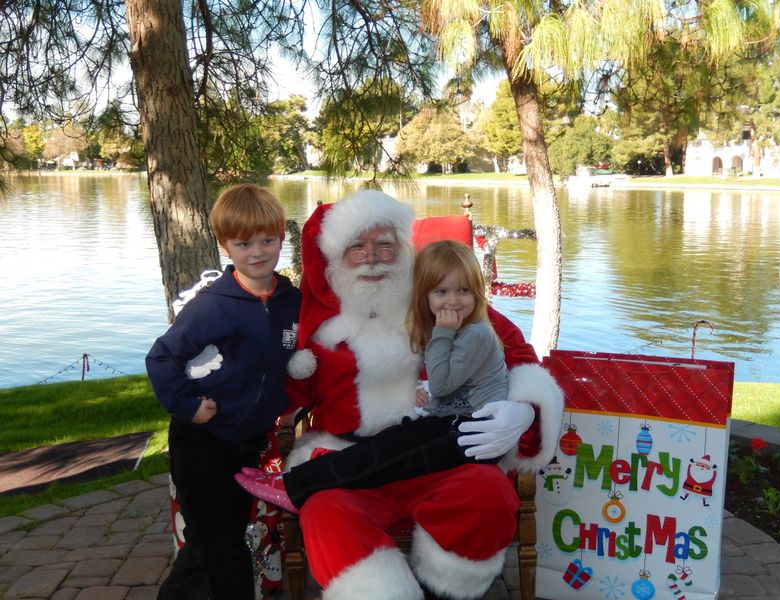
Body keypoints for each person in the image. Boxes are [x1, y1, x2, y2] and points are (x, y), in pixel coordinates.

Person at [262, 190, 564, 600]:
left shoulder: (439, 299)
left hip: (439, 455)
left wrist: (524, 410)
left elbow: (517, 354)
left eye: (385, 244)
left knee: (488, 495)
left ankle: (446, 591)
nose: (372, 257)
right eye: (357, 247)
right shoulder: (314, 327)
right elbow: (281, 391)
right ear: (334, 258)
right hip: (347, 463)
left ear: (403, 248)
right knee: (325, 512)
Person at [235, 239, 510, 512]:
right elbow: (449, 384)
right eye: (441, 292)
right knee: (384, 446)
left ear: (477, 292)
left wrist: (443, 333)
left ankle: (295, 488)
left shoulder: (475, 332)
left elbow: (442, 383)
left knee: (383, 459)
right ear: (424, 294)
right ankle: (293, 482)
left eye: (463, 290)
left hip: (477, 437)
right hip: (451, 422)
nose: (453, 301)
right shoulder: (448, 324)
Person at [146, 184, 301, 600]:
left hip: (246, 443)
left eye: (267, 240)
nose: (257, 252)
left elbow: (295, 360)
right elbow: (161, 358)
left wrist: (292, 404)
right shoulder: (213, 305)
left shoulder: (291, 302)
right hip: (201, 443)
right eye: (243, 243)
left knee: (207, 546)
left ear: (282, 238)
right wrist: (187, 406)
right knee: (225, 553)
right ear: (225, 245)